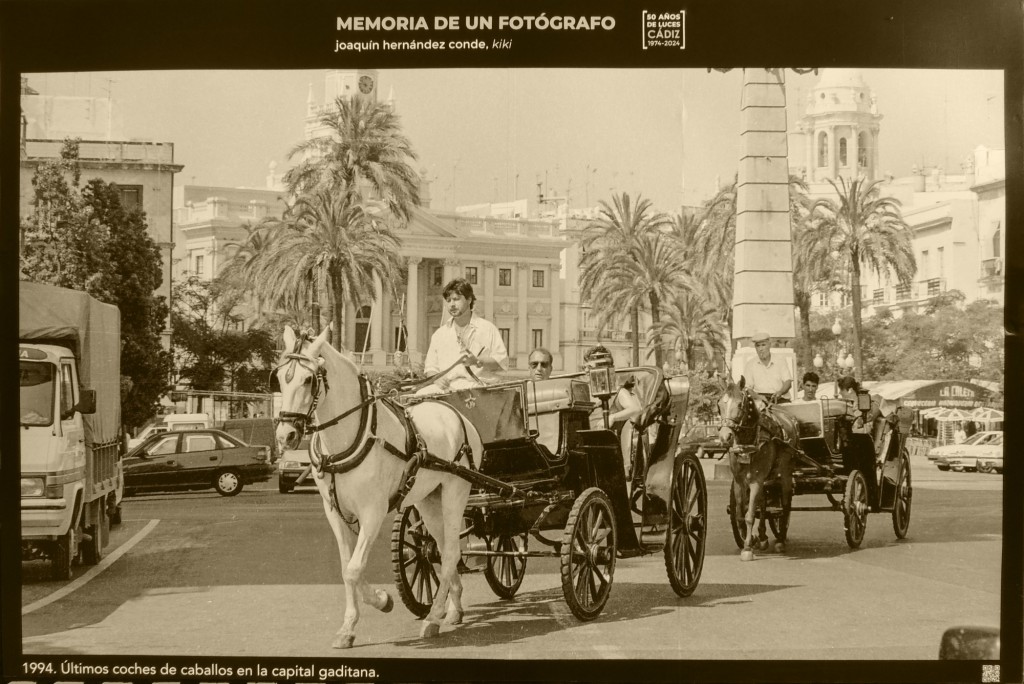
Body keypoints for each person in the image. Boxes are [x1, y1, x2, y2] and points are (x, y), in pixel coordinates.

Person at [416, 278, 508, 395]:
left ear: (469, 299)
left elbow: (501, 363)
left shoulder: (488, 329)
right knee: (417, 397)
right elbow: (430, 368)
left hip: (479, 389)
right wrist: (437, 379)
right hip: (447, 390)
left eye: (456, 299)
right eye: (448, 300)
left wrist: (477, 361)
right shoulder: (439, 335)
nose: (452, 305)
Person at [742, 332, 793, 404]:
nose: (760, 349)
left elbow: (788, 382)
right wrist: (759, 397)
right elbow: (747, 388)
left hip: (781, 399)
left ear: (769, 345)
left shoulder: (780, 360)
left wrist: (780, 392)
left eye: (763, 345)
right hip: (760, 401)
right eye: (758, 346)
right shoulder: (750, 365)